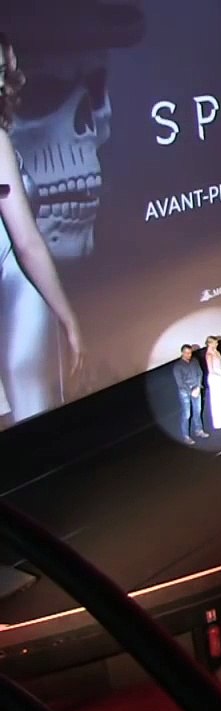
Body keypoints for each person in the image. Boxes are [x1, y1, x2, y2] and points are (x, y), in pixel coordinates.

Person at [0, 34, 83, 425]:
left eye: (2, 70)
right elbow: (27, 242)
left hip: (16, 290)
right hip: (18, 291)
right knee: (32, 410)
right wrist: (67, 316)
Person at [172, 345, 207, 445]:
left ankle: (199, 430)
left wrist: (198, 386)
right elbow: (180, 383)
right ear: (182, 353)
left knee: (198, 410)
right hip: (186, 392)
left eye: (190, 353)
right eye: (187, 353)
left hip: (196, 388)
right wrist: (191, 391)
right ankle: (186, 436)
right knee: (187, 414)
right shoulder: (178, 366)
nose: (189, 355)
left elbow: (200, 373)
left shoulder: (194, 361)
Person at [203, 336, 221, 430]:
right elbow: (211, 370)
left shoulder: (216, 351)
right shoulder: (209, 354)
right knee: (216, 400)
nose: (217, 344)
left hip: (220, 376)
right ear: (210, 343)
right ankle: (218, 422)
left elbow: (220, 363)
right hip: (215, 378)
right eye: (215, 343)